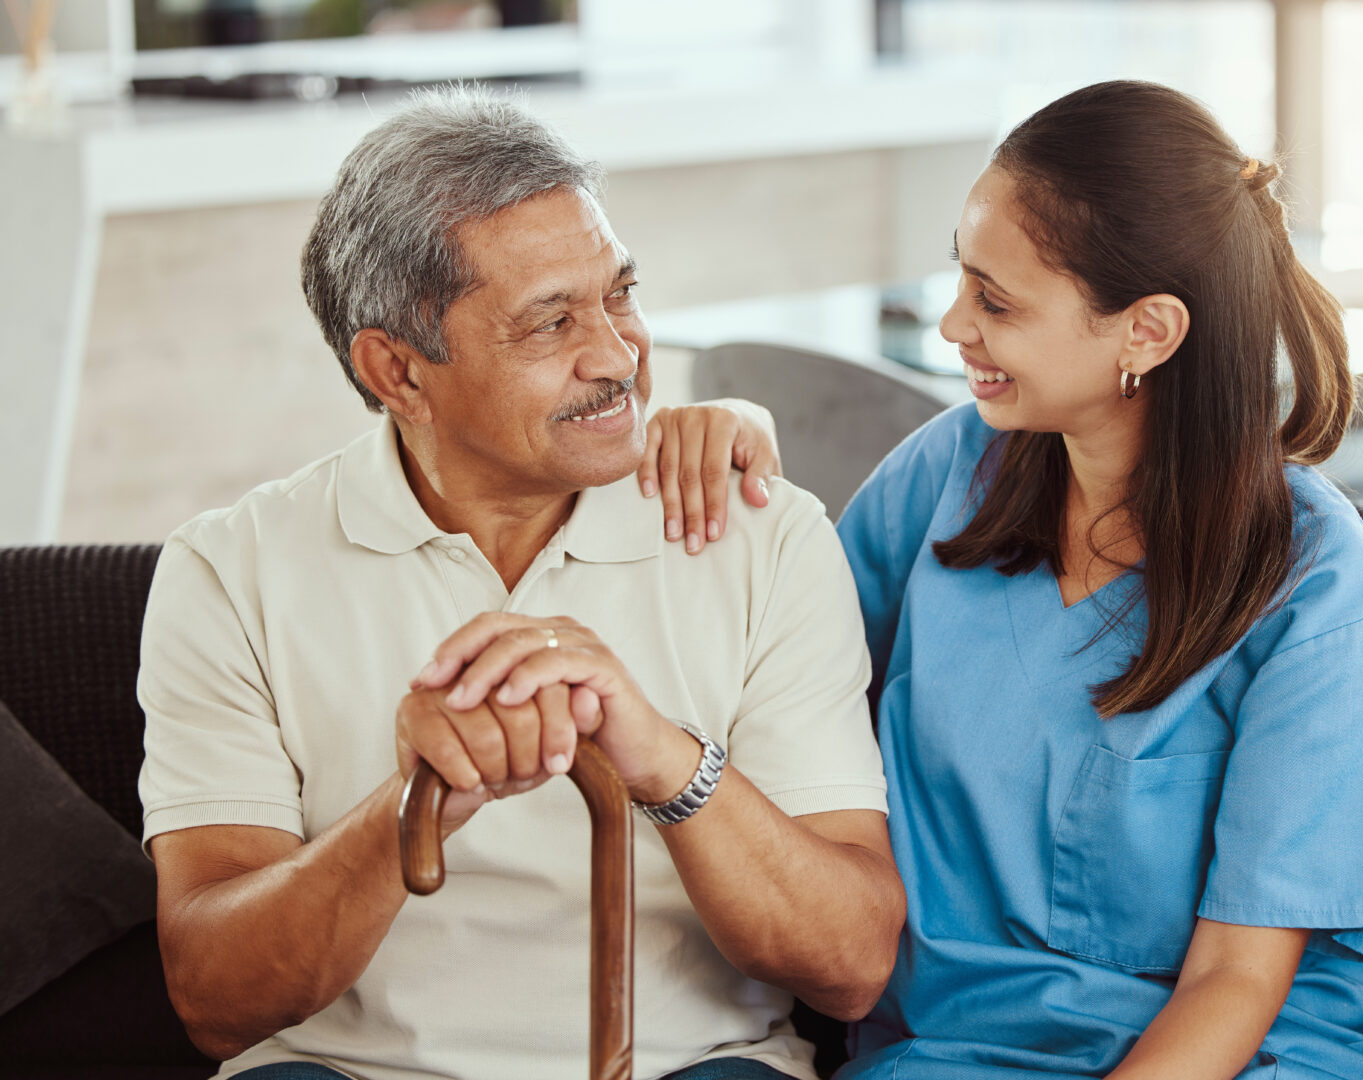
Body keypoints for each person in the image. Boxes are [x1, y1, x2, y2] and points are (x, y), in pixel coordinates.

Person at [640, 81, 1363, 1080]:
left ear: (1144, 332)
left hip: (1246, 1054)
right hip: (961, 1056)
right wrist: (748, 449)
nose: (949, 326)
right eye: (960, 279)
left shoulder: (1311, 585)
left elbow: (1234, 978)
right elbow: (776, 670)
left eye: (995, 302)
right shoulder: (942, 481)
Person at [137, 85, 904, 1080]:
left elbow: (849, 968)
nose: (619, 354)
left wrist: (663, 760)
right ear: (396, 372)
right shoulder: (228, 570)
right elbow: (214, 1002)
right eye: (549, 325)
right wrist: (414, 807)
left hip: (689, 1067)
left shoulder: (761, 535)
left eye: (619, 294)